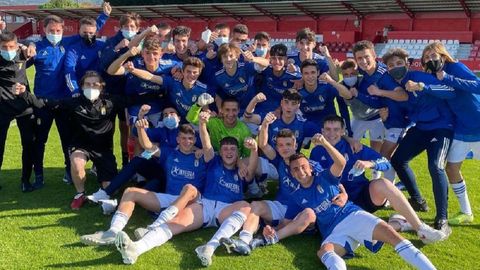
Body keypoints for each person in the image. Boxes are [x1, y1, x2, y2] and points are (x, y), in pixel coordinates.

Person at [113, 111, 258, 266]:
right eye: (225, 149)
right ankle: (136, 248)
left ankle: (210, 246)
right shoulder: (212, 161)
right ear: (220, 152)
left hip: (226, 210)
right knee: (174, 225)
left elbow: (251, 171)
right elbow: (207, 144)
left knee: (245, 206)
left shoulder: (241, 169)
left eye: (232, 149)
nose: (229, 152)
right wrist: (202, 124)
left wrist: (254, 150)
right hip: (204, 205)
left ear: (238, 153)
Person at [287, 150, 436, 270]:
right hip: (333, 232)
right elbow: (291, 219)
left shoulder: (325, 176)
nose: (300, 171)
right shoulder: (296, 195)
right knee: (324, 252)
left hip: (352, 216)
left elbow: (341, 163)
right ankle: (400, 223)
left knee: (392, 236)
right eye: (295, 169)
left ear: (310, 168)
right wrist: (272, 230)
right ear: (292, 174)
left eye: (303, 167)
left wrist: (324, 142)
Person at [310, 114, 445, 243]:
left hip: (362, 196)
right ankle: (400, 224)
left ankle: (421, 228)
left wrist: (370, 163)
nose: (331, 133)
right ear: (322, 131)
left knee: (383, 184)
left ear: (343, 131)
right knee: (351, 231)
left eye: (336, 129)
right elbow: (317, 180)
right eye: (327, 129)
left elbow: (385, 162)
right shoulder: (316, 152)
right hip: (338, 201)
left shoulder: (354, 147)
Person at [80, 120, 207, 246]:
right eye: (183, 138)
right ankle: (112, 232)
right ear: (178, 139)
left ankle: (152, 228)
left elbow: (212, 151)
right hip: (170, 198)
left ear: (195, 140)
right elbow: (148, 147)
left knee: (189, 188)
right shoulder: (169, 153)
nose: (187, 141)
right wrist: (140, 129)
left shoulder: (202, 156)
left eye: (190, 138)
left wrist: (202, 132)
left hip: (190, 203)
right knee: (130, 192)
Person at [27, 3, 111, 185]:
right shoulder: (36, 47)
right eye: (52, 30)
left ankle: (68, 170)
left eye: (58, 30)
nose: (55, 33)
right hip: (42, 102)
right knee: (39, 141)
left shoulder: (68, 42)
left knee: (67, 139)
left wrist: (103, 16)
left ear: (62, 31)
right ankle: (39, 175)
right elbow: (19, 67)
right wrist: (29, 46)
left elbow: (90, 30)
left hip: (64, 102)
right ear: (44, 29)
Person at [384, 47, 455, 236]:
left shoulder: (419, 77)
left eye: (399, 63)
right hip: (421, 128)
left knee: (435, 166)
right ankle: (417, 200)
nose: (396, 67)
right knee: (398, 160)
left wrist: (422, 86)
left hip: (441, 127)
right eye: (391, 65)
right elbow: (403, 113)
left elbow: (450, 91)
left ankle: (442, 217)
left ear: (407, 64)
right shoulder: (394, 85)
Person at [420, 41, 480, 225]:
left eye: (433, 55)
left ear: (442, 56)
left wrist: (447, 77)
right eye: (427, 57)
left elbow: (477, 85)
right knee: (452, 168)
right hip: (461, 129)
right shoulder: (433, 77)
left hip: (478, 125)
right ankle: (466, 212)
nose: (431, 59)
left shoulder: (455, 67)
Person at [352, 40, 409, 180]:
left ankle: (390, 190)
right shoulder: (365, 73)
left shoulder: (384, 74)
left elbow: (402, 95)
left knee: (385, 157)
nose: (364, 61)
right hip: (387, 119)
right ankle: (386, 185)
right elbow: (378, 102)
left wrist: (379, 92)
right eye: (359, 58)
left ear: (374, 55)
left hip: (400, 121)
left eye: (366, 56)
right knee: (385, 157)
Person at [0, 31, 37, 192]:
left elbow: (31, 41)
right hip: (2, 108)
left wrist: (31, 44)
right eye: (4, 47)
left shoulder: (22, 53)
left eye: (11, 46)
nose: (8, 50)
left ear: (16, 46)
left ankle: (25, 180)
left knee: (28, 145)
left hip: (24, 107)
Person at [123, 56, 210, 119]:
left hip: (192, 123)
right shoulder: (172, 82)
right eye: (188, 71)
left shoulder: (203, 89)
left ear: (199, 73)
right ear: (182, 71)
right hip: (173, 120)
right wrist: (133, 70)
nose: (191, 75)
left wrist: (208, 114)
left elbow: (206, 110)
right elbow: (150, 77)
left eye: (195, 72)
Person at [187, 97, 252, 157]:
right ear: (221, 110)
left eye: (234, 110)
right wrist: (198, 105)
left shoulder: (245, 131)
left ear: (238, 111)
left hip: (233, 163)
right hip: (213, 158)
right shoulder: (214, 122)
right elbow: (190, 118)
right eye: (227, 110)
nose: (231, 114)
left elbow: (247, 156)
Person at [297, 59, 352, 126]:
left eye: (313, 72)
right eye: (306, 73)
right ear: (301, 75)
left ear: (318, 73)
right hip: (308, 131)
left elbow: (348, 95)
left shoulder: (326, 87)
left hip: (329, 130)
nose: (310, 76)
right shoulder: (298, 91)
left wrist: (331, 81)